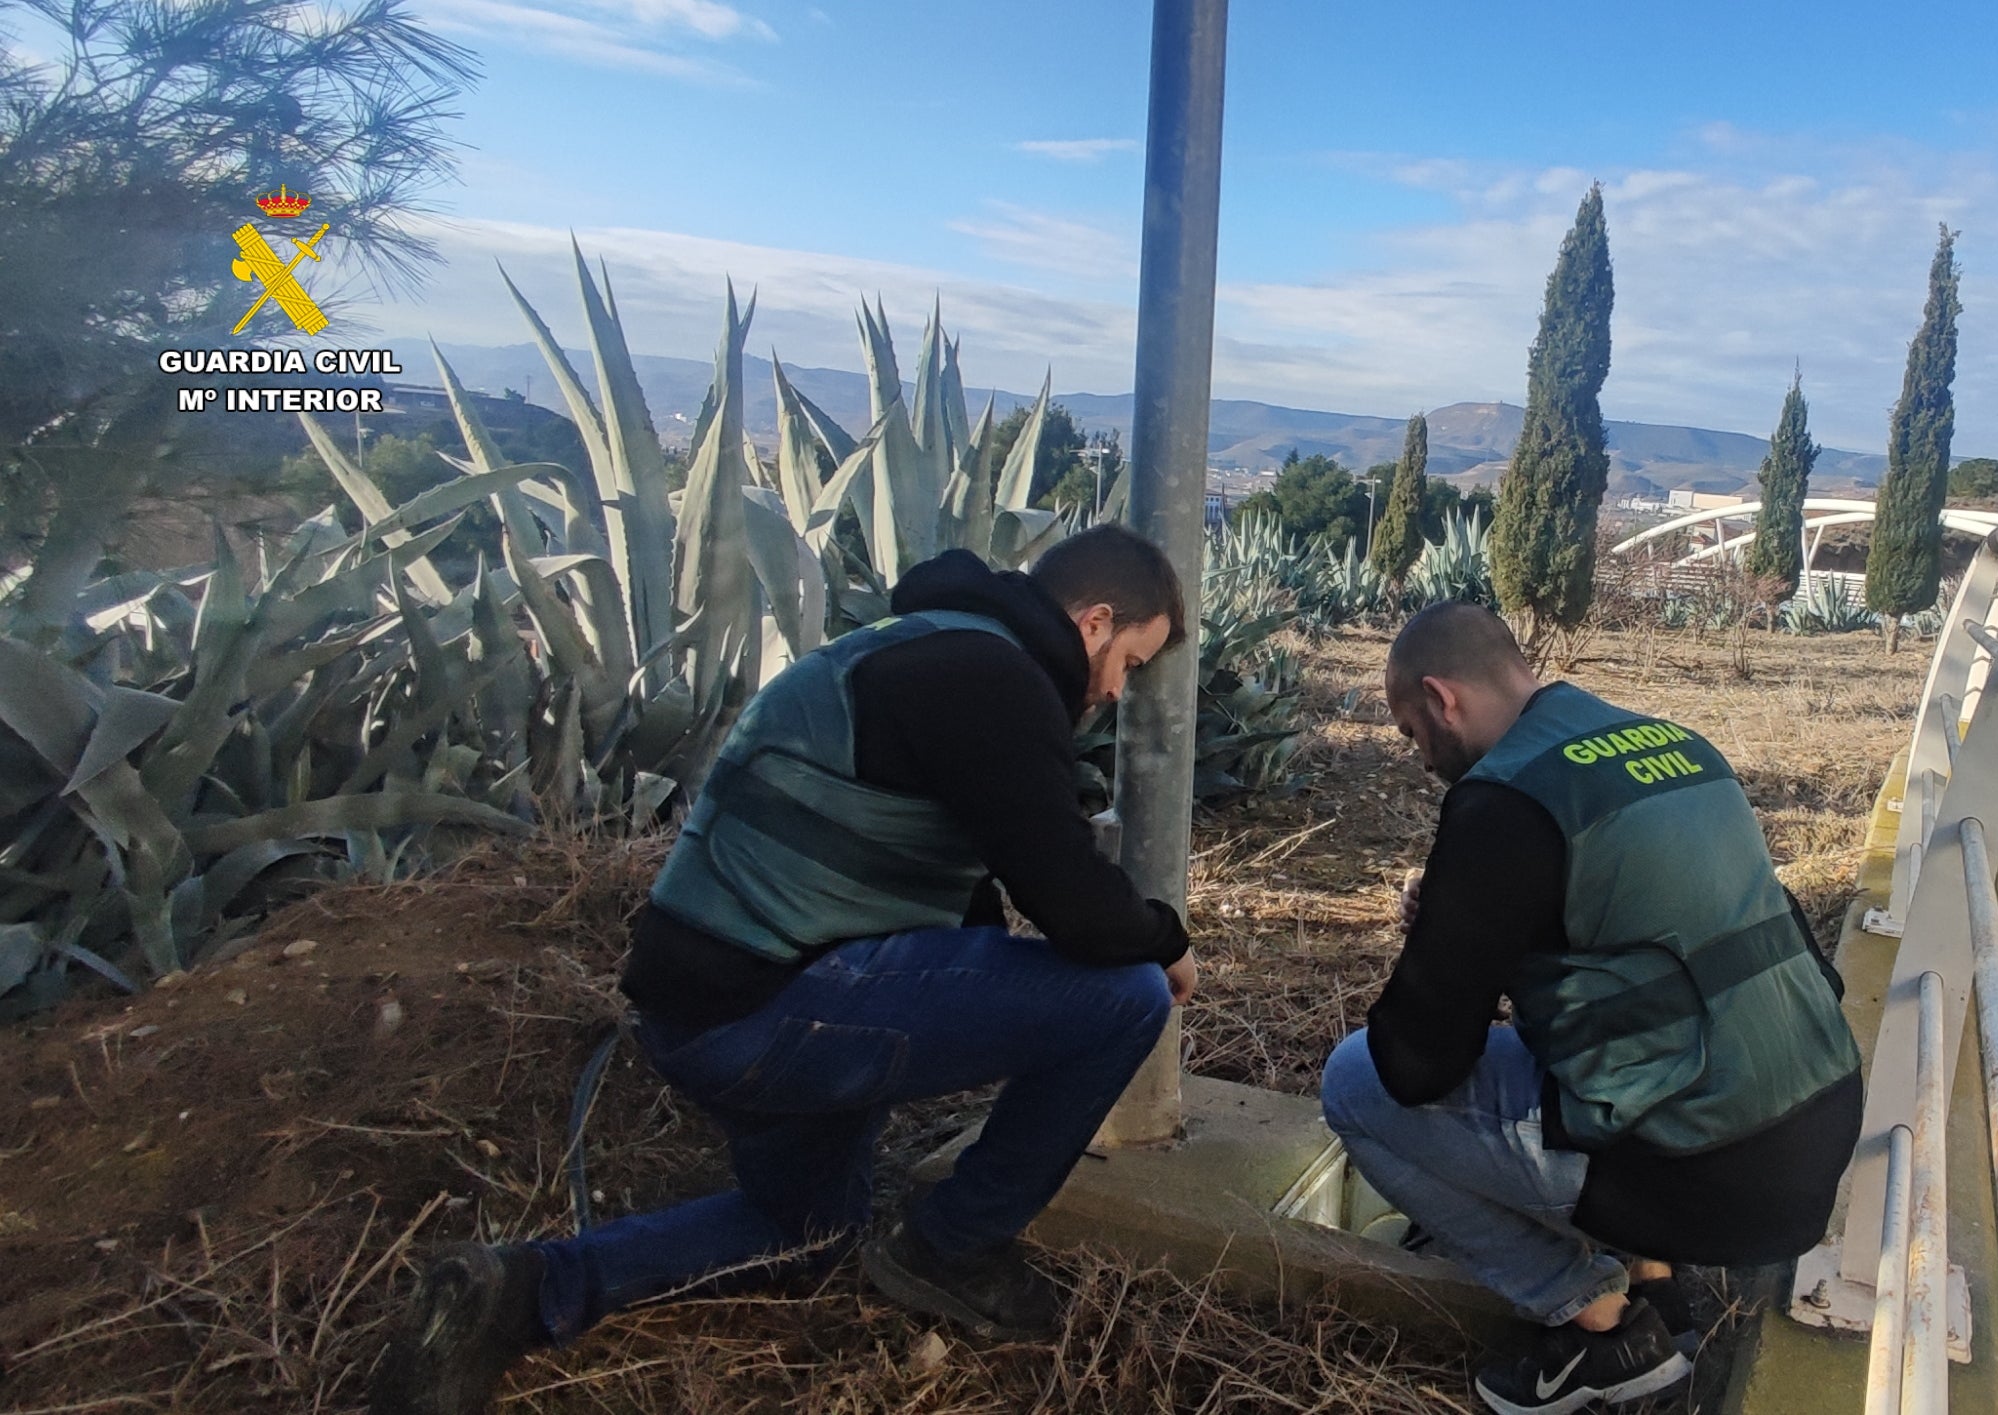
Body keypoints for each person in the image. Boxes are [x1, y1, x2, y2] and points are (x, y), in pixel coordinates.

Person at [374, 527, 1198, 1415]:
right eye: (1129, 661)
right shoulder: (991, 677)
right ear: (1094, 620)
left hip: (707, 1006)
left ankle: (518, 1293)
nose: (1115, 691)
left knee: (801, 1229)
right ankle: (955, 1245)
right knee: (1123, 995)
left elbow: (955, 889)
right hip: (772, 1010)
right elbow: (1072, 901)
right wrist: (1164, 937)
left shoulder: (919, 646)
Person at [1321, 602, 1863, 1415]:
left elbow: (1415, 1060)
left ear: (1441, 699)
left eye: (1409, 733)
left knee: (1351, 1081)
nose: (1421, 759)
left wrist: (1456, 935)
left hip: (1700, 1174)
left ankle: (1597, 1325)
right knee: (1609, 1033)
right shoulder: (1672, 744)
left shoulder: (1502, 799)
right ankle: (1660, 1281)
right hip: (1813, 1133)